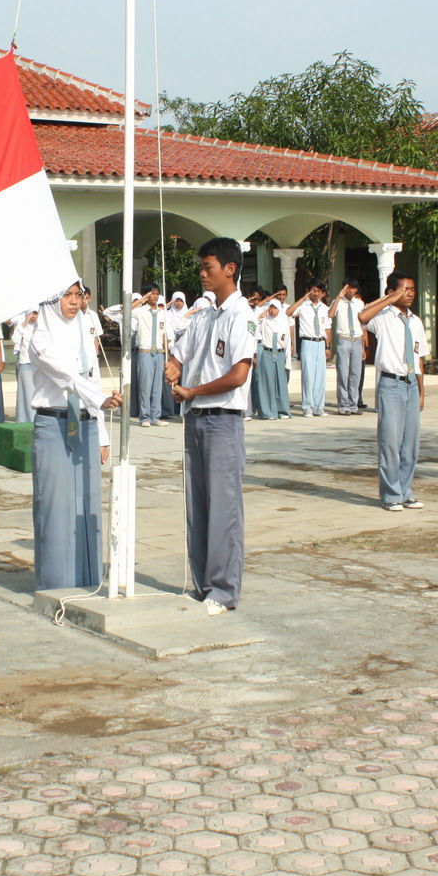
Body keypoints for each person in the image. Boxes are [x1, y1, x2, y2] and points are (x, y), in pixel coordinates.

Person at [166, 237, 256, 616]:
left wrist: (193, 391)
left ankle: (223, 589)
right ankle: (202, 583)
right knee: (197, 505)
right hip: (196, 419)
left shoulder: (242, 315)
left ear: (230, 269)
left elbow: (237, 375)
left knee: (223, 508)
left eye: (209, 268)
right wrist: (171, 366)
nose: (202, 275)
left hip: (222, 420)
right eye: (201, 268)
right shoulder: (202, 316)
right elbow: (180, 355)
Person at [29, 281, 123, 591]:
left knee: (88, 505)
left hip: (85, 423)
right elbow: (66, 377)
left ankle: (87, 579)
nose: (74, 302)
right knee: (55, 507)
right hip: (55, 423)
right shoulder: (41, 336)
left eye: (78, 295)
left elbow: (91, 378)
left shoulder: (84, 332)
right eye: (67, 295)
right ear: (53, 299)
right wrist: (99, 400)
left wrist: (102, 432)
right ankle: (57, 584)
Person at [359, 272, 427, 511]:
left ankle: (406, 492)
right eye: (404, 289)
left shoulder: (416, 321)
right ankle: (391, 495)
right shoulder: (383, 316)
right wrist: (389, 299)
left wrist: (421, 392)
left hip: (410, 384)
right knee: (390, 443)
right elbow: (362, 316)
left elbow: (419, 358)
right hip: (391, 385)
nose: (409, 294)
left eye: (412, 289)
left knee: (410, 444)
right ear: (391, 292)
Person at [287, 280, 330, 417]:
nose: (315, 293)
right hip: (308, 342)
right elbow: (289, 312)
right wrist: (303, 298)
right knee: (308, 376)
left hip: (321, 342)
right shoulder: (303, 306)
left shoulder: (324, 308)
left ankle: (319, 406)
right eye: (313, 290)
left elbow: (327, 329)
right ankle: (308, 407)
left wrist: (328, 346)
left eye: (318, 291)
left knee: (320, 376)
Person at [129, 284, 168, 427]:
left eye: (157, 293)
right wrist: (141, 301)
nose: (155, 296)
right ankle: (145, 417)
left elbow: (165, 335)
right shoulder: (140, 311)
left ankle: (156, 416)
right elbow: (125, 310)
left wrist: (166, 357)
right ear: (146, 295)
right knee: (145, 386)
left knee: (157, 387)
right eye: (152, 293)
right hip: (145, 352)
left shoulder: (163, 313)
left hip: (158, 353)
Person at [329, 279, 365, 414]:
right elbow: (331, 314)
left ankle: (353, 404)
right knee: (343, 373)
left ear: (356, 290)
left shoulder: (359, 303)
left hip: (356, 339)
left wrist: (363, 345)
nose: (350, 290)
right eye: (348, 288)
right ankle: (343, 405)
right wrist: (338, 297)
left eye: (353, 288)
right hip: (343, 340)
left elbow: (363, 322)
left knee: (355, 374)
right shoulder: (337, 302)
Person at [254, 300, 292, 419]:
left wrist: (288, 359)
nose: (272, 310)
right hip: (267, 352)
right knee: (267, 383)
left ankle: (282, 411)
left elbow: (288, 341)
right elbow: (252, 327)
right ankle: (268, 412)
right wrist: (259, 318)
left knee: (280, 383)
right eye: (271, 308)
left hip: (280, 353)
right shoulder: (264, 321)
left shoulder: (283, 321)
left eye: (275, 308)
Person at [11, 309, 40, 423]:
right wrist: (25, 322)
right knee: (27, 394)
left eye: (36, 314)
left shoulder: (41, 327)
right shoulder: (22, 327)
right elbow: (15, 339)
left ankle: (37, 419)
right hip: (26, 363)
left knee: (38, 393)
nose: (34, 316)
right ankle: (26, 420)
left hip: (38, 363)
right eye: (31, 314)